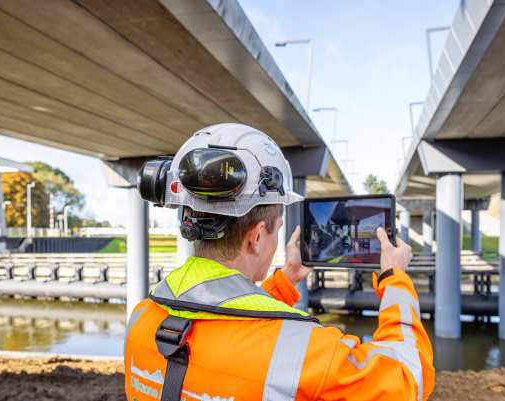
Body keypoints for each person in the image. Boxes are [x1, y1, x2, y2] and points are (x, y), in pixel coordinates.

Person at [125, 123, 434, 401]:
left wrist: (286, 280)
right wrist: (395, 279)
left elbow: (225, 318)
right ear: (256, 236)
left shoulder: (142, 319)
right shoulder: (303, 351)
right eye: (278, 226)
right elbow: (407, 377)